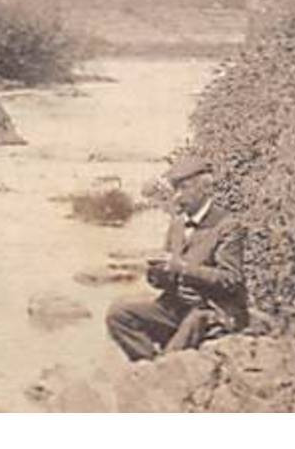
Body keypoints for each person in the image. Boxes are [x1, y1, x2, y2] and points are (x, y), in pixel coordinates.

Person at [105, 154, 248, 362]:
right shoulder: (178, 224)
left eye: (184, 188)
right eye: (175, 189)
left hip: (210, 311)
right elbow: (166, 279)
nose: (177, 197)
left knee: (181, 341)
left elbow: (231, 279)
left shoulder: (228, 225)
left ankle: (161, 369)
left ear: (205, 188)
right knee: (119, 314)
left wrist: (182, 268)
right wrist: (157, 273)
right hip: (175, 308)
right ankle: (152, 365)